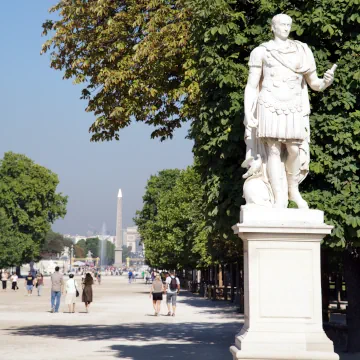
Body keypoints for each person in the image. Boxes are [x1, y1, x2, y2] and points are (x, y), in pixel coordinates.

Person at [242, 14, 335, 208]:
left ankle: (293, 189)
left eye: (288, 25)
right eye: (281, 25)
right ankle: (280, 198)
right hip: (269, 103)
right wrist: (248, 111)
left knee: (294, 149)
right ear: (272, 28)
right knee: (274, 150)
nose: (285, 28)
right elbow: (251, 85)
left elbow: (315, 84)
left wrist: (326, 82)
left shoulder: (302, 51)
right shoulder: (261, 51)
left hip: (293, 105)